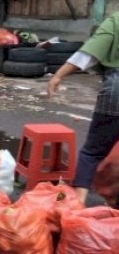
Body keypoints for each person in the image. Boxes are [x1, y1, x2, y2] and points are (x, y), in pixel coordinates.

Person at [47, 12, 119, 206]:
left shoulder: (116, 21)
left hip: (116, 93)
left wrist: (58, 75)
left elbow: (88, 54)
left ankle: (77, 206)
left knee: (92, 152)